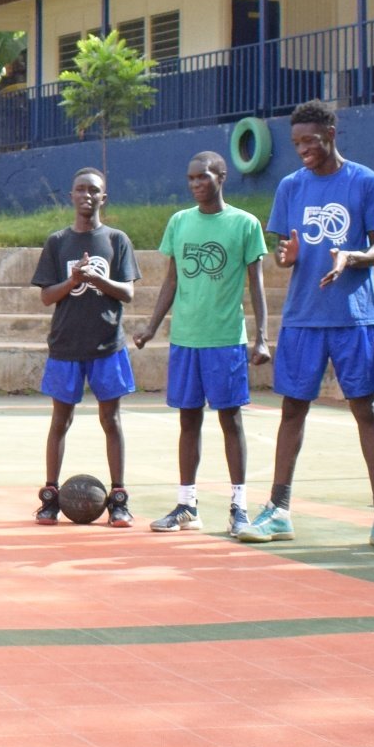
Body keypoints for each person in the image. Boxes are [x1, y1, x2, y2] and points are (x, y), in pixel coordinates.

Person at [243, 100, 374, 549]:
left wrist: (352, 257)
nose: (302, 150)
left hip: (353, 316)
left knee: (363, 409)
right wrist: (285, 257)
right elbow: (282, 253)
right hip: (303, 317)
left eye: (310, 140)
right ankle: (278, 510)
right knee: (293, 410)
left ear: (332, 132)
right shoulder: (291, 187)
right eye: (296, 143)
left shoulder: (365, 181)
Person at [134, 150, 267, 535]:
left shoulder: (245, 224)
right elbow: (171, 281)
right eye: (191, 178)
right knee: (187, 419)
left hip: (225, 339)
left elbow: (254, 284)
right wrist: (152, 326)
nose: (196, 185)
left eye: (203, 177)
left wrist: (262, 337)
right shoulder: (179, 223)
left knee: (231, 420)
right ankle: (187, 505)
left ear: (221, 177)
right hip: (186, 339)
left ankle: (239, 506)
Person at [32, 168, 138, 526]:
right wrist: (73, 279)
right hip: (66, 345)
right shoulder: (58, 241)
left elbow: (127, 292)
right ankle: (49, 495)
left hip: (107, 344)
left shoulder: (116, 240)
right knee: (60, 420)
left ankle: (119, 497)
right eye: (80, 190)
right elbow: (47, 296)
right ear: (71, 196)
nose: (87, 195)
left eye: (94, 190)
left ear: (103, 197)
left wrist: (97, 278)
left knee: (112, 419)